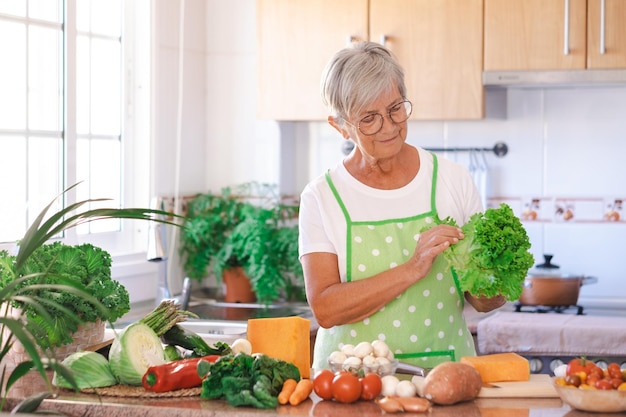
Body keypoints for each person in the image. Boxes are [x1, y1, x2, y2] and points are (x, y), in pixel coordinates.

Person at [298, 41, 505, 371]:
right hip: (350, 384)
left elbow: (479, 301)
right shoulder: (322, 196)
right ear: (340, 126)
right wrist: (414, 267)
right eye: (369, 118)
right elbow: (326, 308)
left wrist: (500, 280)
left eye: (396, 108)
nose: (390, 126)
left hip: (445, 377)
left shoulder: (453, 180)